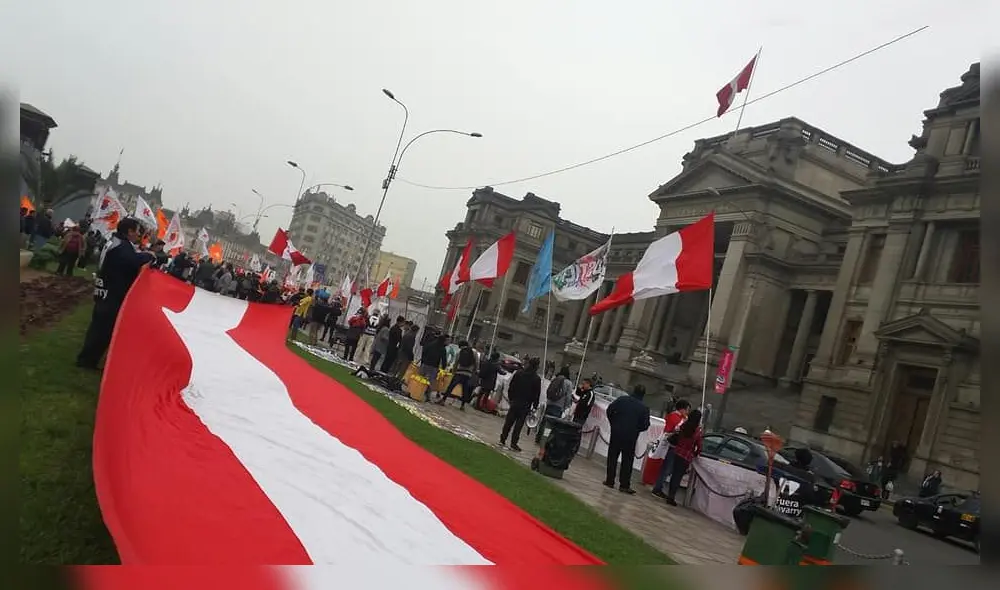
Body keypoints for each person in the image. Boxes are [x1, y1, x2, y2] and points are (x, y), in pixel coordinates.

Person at [76, 218, 155, 370]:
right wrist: (149, 255)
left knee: (98, 328)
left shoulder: (115, 241)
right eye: (137, 231)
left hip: (106, 289)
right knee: (103, 330)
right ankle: (87, 361)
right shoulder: (121, 245)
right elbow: (132, 260)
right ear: (130, 231)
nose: (139, 234)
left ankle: (88, 359)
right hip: (112, 292)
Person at [603, 384, 651, 494]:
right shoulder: (644, 408)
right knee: (627, 461)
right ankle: (624, 485)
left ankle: (610, 480)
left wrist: (613, 423)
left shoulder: (622, 400)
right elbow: (645, 425)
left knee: (612, 457)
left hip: (616, 432)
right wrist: (636, 429)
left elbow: (609, 410)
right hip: (631, 436)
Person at [651, 399, 692, 499]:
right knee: (666, 468)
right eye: (687, 410)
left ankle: (659, 486)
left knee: (668, 468)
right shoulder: (674, 417)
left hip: (675, 446)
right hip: (670, 445)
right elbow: (668, 431)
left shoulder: (683, 418)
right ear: (682, 409)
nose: (687, 412)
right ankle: (657, 488)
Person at [500, 357, 542, 452]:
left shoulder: (519, 373)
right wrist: (535, 406)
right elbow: (536, 394)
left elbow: (511, 386)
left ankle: (503, 438)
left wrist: (511, 398)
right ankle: (513, 443)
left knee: (509, 422)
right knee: (518, 425)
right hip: (526, 404)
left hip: (515, 401)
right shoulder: (536, 379)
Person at [662, 409, 703, 506]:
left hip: (677, 452)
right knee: (678, 476)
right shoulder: (697, 431)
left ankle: (670, 494)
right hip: (686, 456)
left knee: (674, 475)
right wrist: (695, 454)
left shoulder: (684, 426)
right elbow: (699, 446)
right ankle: (671, 497)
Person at [535, 366, 574, 444]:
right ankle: (545, 440)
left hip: (550, 403)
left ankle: (538, 437)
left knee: (544, 422)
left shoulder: (555, 378)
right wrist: (566, 407)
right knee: (551, 425)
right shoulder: (568, 383)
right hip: (559, 406)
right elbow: (568, 396)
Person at [439, 340, 478, 409]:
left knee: (451, 387)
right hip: (468, 374)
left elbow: (456, 363)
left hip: (459, 372)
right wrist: (473, 372)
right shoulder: (474, 352)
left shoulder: (459, 352)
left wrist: (453, 372)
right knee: (465, 390)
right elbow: (476, 363)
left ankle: (443, 400)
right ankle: (462, 405)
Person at [418, 332, 448, 398]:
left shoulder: (430, 344)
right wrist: (443, 368)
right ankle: (427, 395)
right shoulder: (442, 348)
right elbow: (444, 359)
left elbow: (424, 352)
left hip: (425, 364)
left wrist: (423, 361)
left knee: (420, 378)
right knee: (431, 381)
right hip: (434, 366)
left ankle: (417, 390)